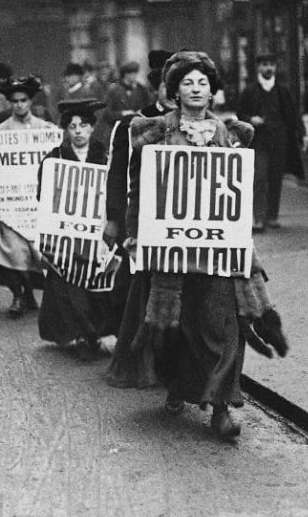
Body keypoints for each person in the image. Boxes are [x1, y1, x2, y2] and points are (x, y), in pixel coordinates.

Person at [122, 51, 287, 439]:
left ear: (213, 92)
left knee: (224, 325)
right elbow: (138, 187)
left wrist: (239, 232)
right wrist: (133, 231)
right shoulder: (156, 132)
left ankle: (221, 407)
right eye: (187, 83)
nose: (196, 89)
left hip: (218, 250)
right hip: (172, 251)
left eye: (203, 83)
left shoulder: (228, 135)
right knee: (178, 326)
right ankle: (179, 386)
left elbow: (236, 192)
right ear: (175, 91)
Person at [104, 49, 176, 388]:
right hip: (143, 222)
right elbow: (118, 175)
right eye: (167, 86)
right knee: (142, 293)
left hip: (180, 229)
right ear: (156, 89)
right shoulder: (135, 124)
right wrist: (113, 220)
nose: (173, 94)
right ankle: (141, 363)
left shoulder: (200, 124)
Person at [0, 77, 58, 317]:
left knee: (35, 253)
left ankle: (29, 293)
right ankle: (18, 294)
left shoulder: (46, 131)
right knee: (12, 252)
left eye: (24, 100)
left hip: (36, 204)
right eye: (15, 101)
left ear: (31, 101)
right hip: (10, 205)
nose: (19, 106)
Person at [36, 99, 111, 360]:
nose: (78, 131)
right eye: (72, 126)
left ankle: (94, 333)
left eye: (83, 125)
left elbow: (113, 195)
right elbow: (42, 196)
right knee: (68, 286)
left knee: (97, 285)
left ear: (92, 128)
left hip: (96, 234)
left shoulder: (105, 157)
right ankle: (81, 335)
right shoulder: (54, 159)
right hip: (65, 236)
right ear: (66, 130)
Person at [236, 53, 308, 232]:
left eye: (272, 65)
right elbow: (240, 114)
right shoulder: (249, 90)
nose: (269, 68)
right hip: (259, 141)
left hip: (279, 141)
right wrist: (250, 119)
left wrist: (303, 134)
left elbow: (293, 115)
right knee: (259, 178)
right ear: (259, 68)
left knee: (275, 178)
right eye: (265, 65)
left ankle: (272, 217)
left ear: (275, 68)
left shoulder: (282, 90)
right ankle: (258, 218)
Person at [95, 60, 153, 147]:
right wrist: (122, 113)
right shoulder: (114, 90)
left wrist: (141, 112)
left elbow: (149, 107)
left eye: (135, 73)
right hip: (118, 131)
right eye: (131, 73)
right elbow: (106, 113)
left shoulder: (141, 90)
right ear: (125, 75)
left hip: (137, 131)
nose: (134, 76)